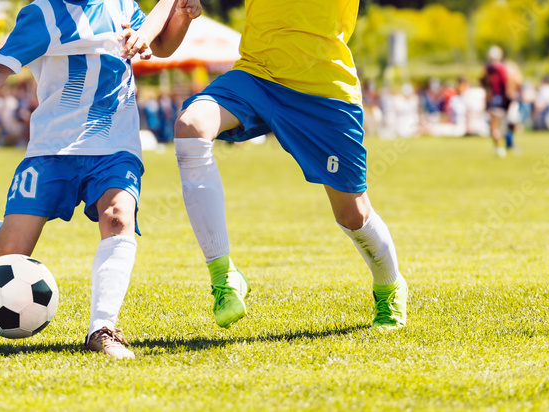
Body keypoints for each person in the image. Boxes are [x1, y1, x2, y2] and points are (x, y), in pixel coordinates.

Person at [0, 0, 200, 359]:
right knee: (13, 251)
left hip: (115, 144)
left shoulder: (122, 5)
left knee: (119, 216)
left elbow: (161, 44)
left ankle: (103, 329)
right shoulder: (41, 13)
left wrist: (181, 14)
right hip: (52, 148)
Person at [172, 0, 408, 330]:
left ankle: (390, 287)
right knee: (191, 127)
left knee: (352, 214)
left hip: (323, 86)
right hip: (257, 74)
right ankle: (223, 276)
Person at [484, 46, 511, 157]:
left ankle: (498, 147)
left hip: (494, 99)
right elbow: (506, 83)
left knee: (494, 125)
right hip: (499, 99)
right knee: (499, 125)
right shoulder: (501, 68)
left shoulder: (488, 69)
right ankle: (500, 147)